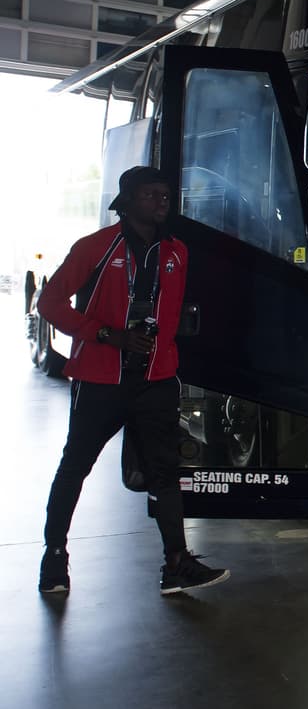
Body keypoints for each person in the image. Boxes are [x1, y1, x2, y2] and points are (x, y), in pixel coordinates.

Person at [37, 166, 230, 596]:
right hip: (101, 380)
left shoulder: (177, 252)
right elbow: (48, 302)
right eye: (151, 194)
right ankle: (54, 559)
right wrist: (107, 335)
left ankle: (177, 564)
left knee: (166, 473)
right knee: (75, 467)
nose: (162, 201)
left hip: (156, 380)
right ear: (127, 201)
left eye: (165, 194)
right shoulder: (95, 248)